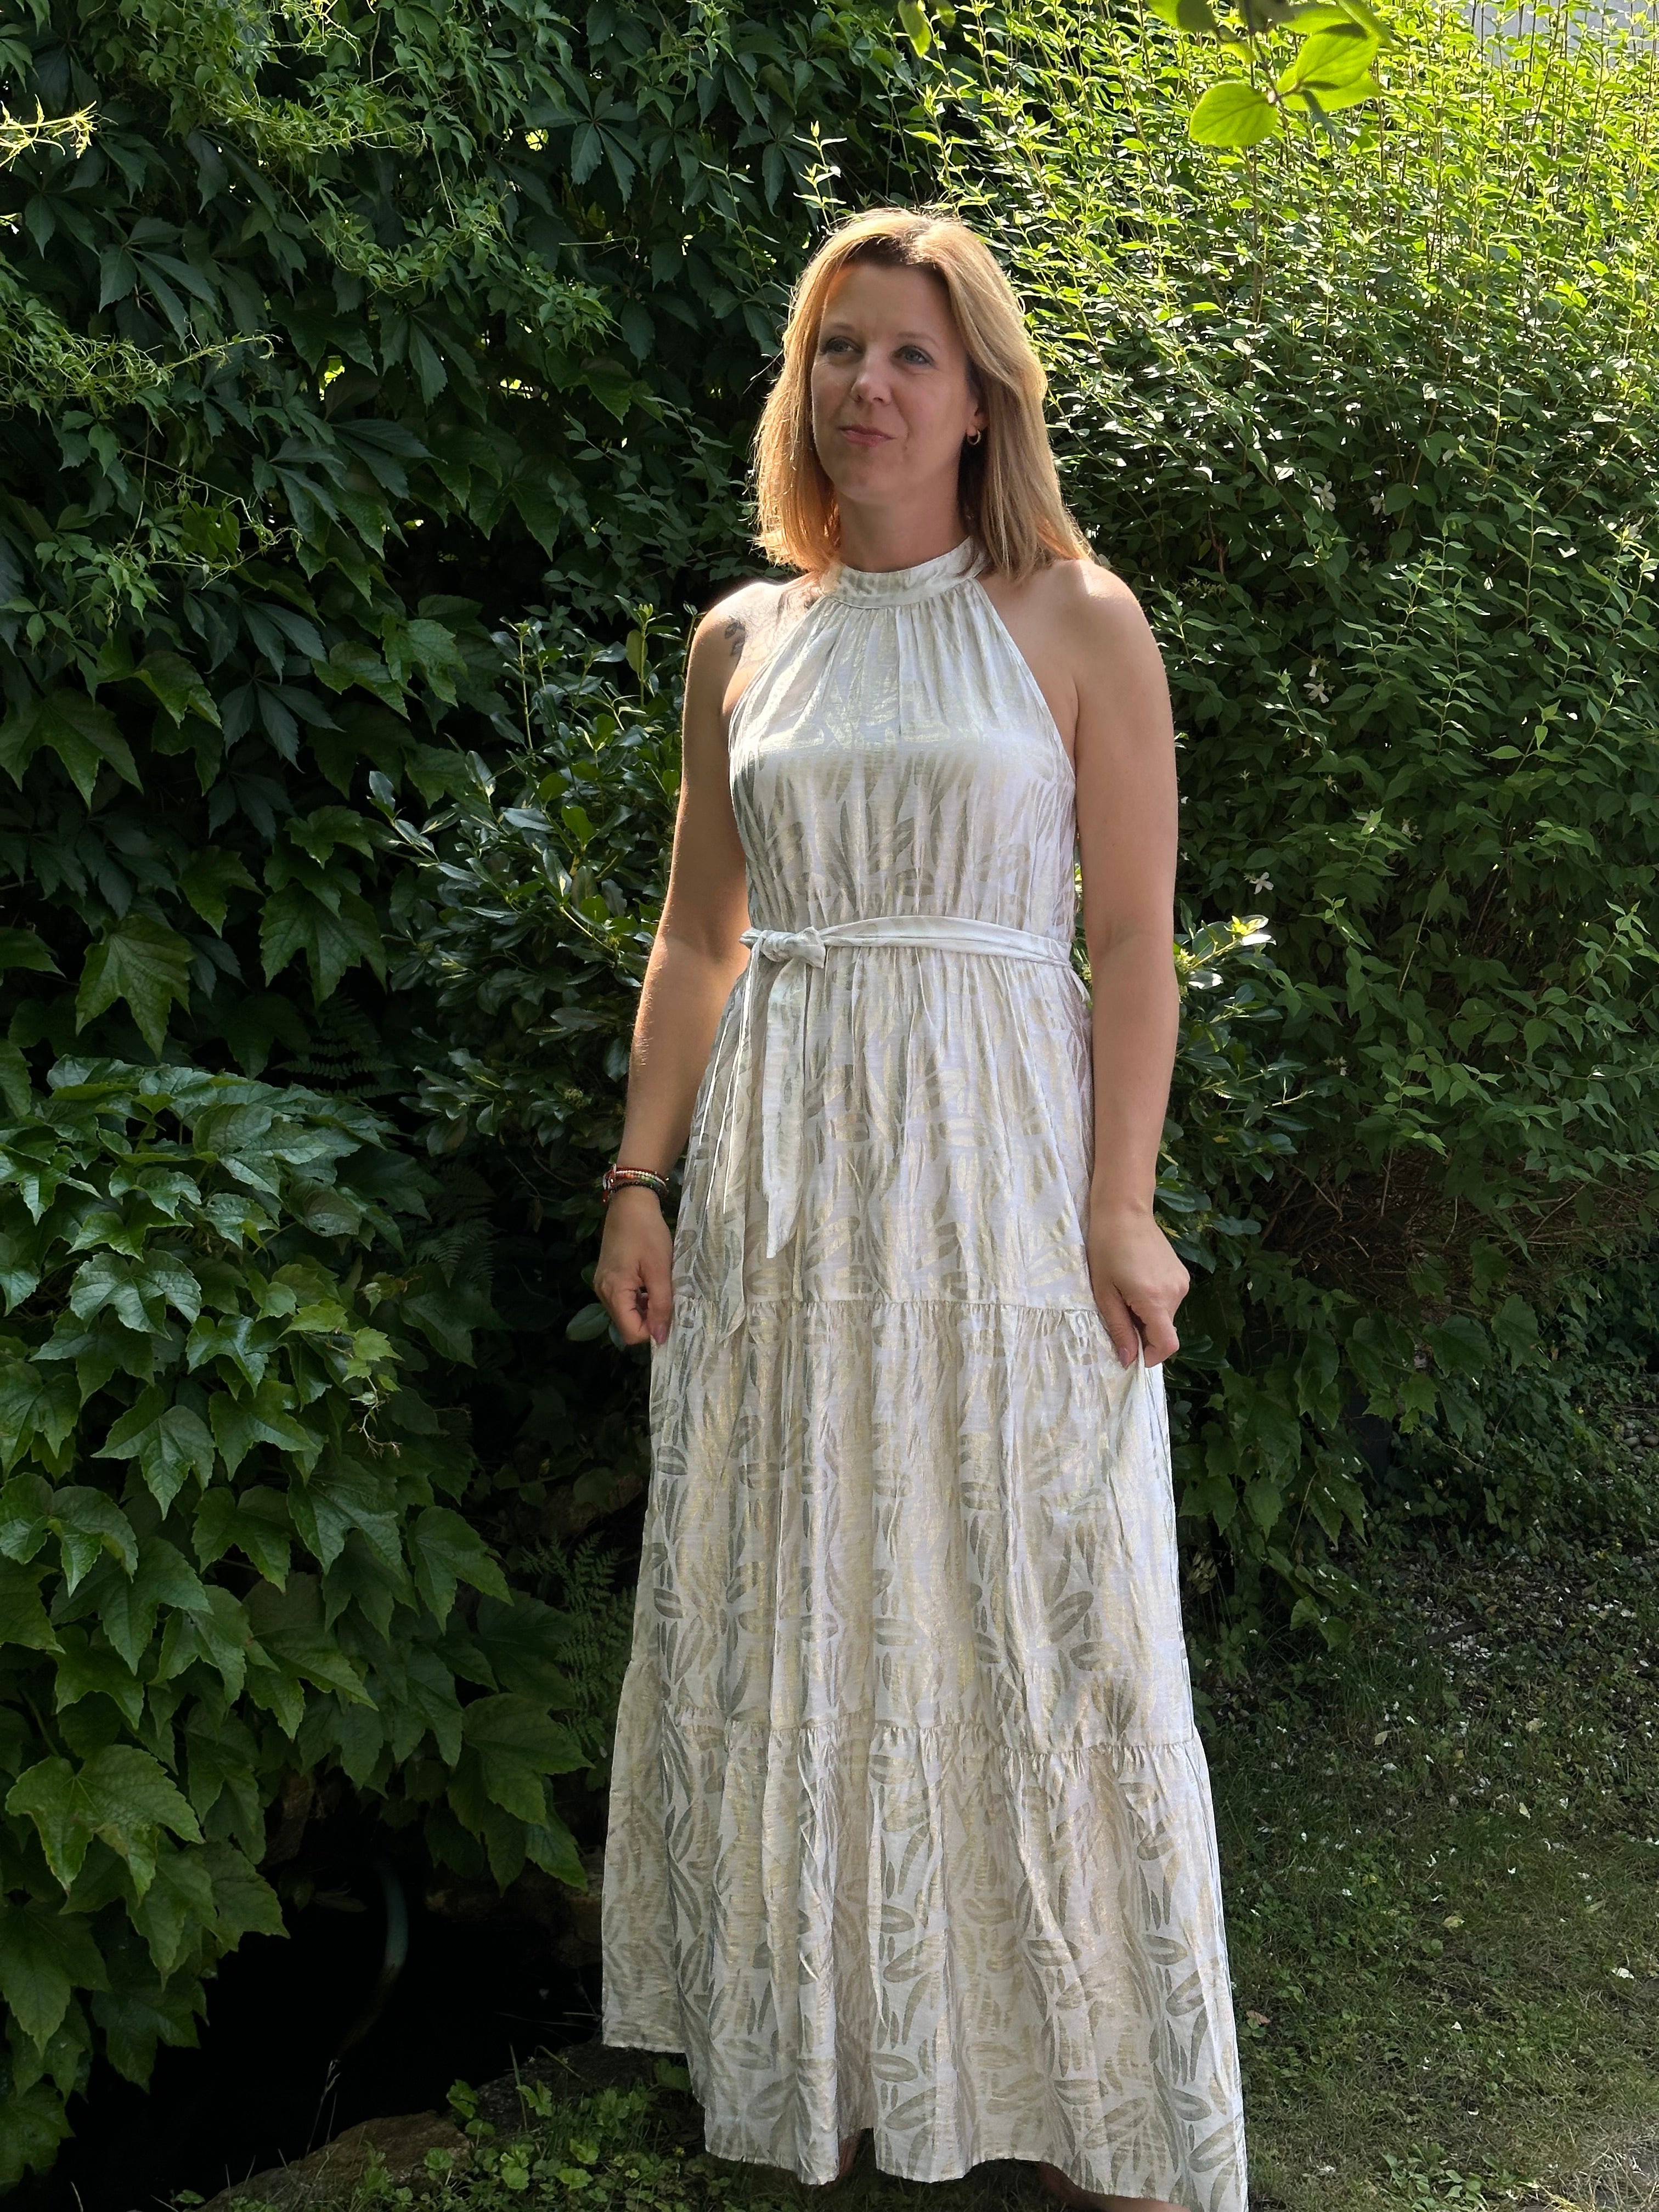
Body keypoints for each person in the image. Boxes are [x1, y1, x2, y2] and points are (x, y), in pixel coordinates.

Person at [592, 204, 1248, 2212]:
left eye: (910, 356)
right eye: (838, 350)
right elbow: (700, 938)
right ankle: (853, 2066)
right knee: (814, 1595)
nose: (865, 387)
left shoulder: (1078, 619)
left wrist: (1119, 1207)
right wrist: (640, 1179)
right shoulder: (742, 642)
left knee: (1049, 1609)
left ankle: (1106, 2103)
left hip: (1002, 1182)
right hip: (788, 1196)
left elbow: (1129, 944)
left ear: (982, 404)